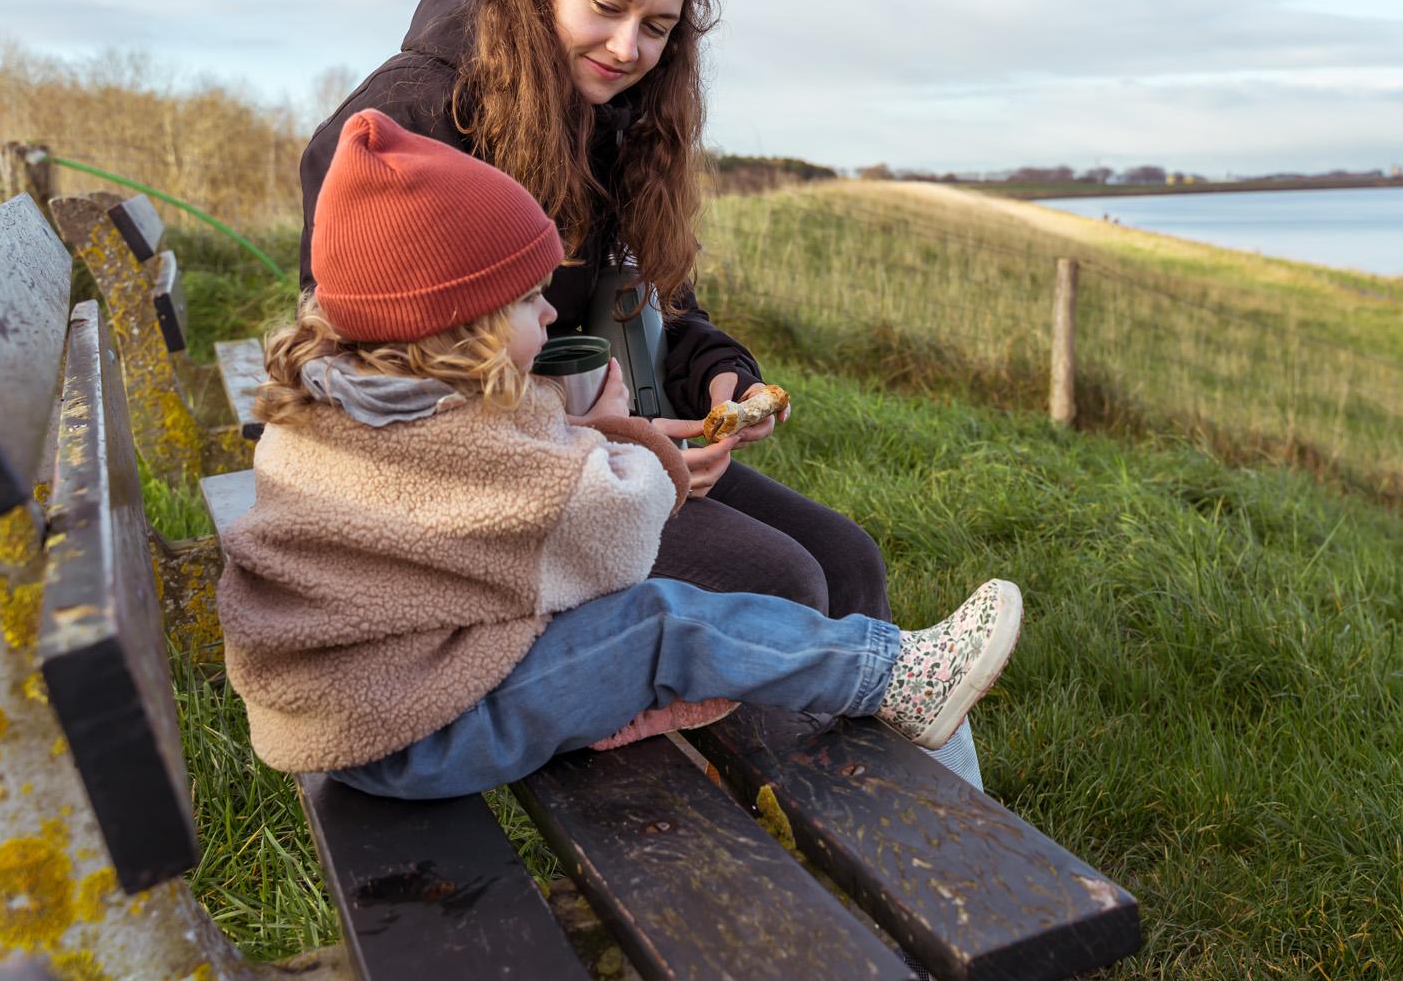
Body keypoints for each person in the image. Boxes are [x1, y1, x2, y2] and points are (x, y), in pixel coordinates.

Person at [298, 0, 987, 786]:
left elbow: (663, 305)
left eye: (658, 29)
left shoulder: (625, 124)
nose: (628, 48)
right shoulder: (410, 124)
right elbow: (380, 375)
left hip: (605, 435)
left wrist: (720, 378)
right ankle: (761, 833)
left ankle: (894, 828)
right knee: (779, 579)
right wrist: (621, 444)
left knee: (849, 560)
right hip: (481, 480)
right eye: (606, 7)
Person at [219, 109, 1021, 798]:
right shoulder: (457, 438)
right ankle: (897, 678)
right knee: (659, 620)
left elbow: (493, 506)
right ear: (462, 327)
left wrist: (589, 431)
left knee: (635, 629)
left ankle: (640, 705)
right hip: (410, 736)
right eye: (530, 298)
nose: (549, 311)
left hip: (354, 704)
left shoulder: (347, 399)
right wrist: (622, 431)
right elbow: (617, 539)